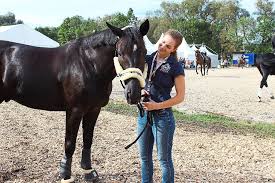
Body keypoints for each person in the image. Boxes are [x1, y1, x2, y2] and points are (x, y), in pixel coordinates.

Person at [137, 29, 185, 183]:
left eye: (168, 46)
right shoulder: (147, 59)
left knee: (164, 160)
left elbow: (180, 97)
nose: (163, 46)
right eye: (163, 42)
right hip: (144, 115)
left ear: (174, 49)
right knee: (144, 158)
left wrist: (157, 106)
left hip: (163, 118)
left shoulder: (176, 67)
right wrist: (140, 89)